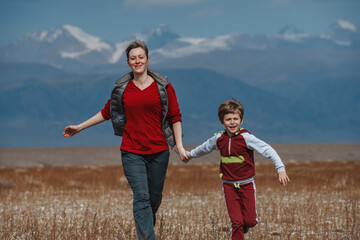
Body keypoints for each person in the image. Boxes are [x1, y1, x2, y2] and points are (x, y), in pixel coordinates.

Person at [63, 40, 188, 240]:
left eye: (140, 57)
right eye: (133, 58)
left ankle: (147, 224)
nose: (137, 61)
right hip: (132, 151)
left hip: (159, 150)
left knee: (154, 199)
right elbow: (106, 112)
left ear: (148, 60)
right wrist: (79, 127)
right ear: (128, 62)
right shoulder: (122, 88)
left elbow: (175, 116)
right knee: (141, 197)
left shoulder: (163, 86)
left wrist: (179, 147)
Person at [185, 98, 290, 240]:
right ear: (222, 121)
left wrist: (280, 168)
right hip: (228, 186)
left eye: (235, 118)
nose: (232, 122)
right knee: (236, 223)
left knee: (250, 221)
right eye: (228, 119)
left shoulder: (246, 138)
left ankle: (245, 225)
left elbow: (268, 150)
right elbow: (204, 148)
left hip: (246, 185)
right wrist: (189, 155)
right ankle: (237, 231)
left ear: (241, 121)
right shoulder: (218, 139)